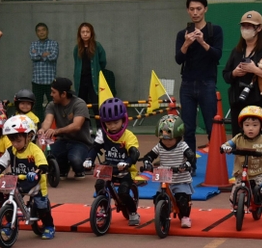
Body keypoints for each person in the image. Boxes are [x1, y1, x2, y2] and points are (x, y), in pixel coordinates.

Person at [222, 10, 262, 198]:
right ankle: (245, 185)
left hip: (260, 103)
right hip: (239, 103)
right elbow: (225, 75)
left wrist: (255, 70)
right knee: (240, 144)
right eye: (243, 26)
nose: (245, 29)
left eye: (249, 26)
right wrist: (235, 73)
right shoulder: (237, 50)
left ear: (258, 28)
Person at [0, 115, 56, 240]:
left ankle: (49, 226)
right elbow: (2, 162)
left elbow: (43, 165)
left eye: (18, 141)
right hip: (18, 181)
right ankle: (10, 222)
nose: (15, 144)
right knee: (7, 198)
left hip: (35, 183)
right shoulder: (11, 150)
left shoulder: (34, 150)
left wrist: (35, 172)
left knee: (42, 206)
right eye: (12, 141)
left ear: (29, 136)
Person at [175, 0, 224, 153]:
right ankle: (190, 164)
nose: (195, 12)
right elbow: (178, 59)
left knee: (212, 125)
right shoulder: (182, 34)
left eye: (198, 9)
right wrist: (187, 43)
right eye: (192, 9)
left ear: (205, 9)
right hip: (187, 84)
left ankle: (217, 164)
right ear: (187, 11)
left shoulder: (214, 30)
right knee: (188, 128)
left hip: (207, 83)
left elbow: (217, 55)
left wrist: (202, 42)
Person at [83, 98, 140, 226]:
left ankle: (133, 212)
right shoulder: (102, 134)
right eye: (108, 123)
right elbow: (95, 148)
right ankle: (103, 205)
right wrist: (89, 159)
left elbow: (134, 153)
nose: (112, 126)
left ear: (123, 120)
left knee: (124, 193)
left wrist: (127, 162)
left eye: (115, 122)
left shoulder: (129, 136)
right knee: (99, 185)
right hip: (108, 167)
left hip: (125, 170)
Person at [221, 106, 262, 224]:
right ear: (242, 126)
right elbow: (227, 144)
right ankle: (237, 207)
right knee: (234, 195)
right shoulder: (238, 139)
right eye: (247, 125)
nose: (250, 128)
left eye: (255, 125)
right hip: (242, 173)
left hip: (260, 173)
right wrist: (226, 148)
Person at [141, 114, 196, 228]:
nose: (166, 142)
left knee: (182, 199)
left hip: (180, 178)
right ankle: (161, 214)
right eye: (163, 139)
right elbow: (149, 156)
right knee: (158, 197)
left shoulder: (182, 146)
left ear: (178, 136)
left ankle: (185, 217)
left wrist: (186, 165)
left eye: (170, 139)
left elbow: (191, 157)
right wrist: (147, 162)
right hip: (165, 177)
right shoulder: (159, 146)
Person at [38, 77, 93, 179]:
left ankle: (79, 169)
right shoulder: (52, 105)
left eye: (53, 92)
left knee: (75, 160)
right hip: (63, 141)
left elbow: (76, 126)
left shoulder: (79, 104)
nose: (51, 95)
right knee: (49, 156)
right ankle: (63, 169)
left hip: (80, 142)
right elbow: (47, 121)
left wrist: (56, 131)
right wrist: (43, 129)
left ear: (63, 94)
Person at [29, 23, 59, 120]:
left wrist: (39, 55)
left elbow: (53, 56)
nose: (41, 32)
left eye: (43, 30)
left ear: (47, 31)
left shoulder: (54, 43)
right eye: (39, 31)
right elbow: (32, 56)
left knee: (53, 104)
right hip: (37, 81)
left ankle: (53, 126)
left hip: (50, 81)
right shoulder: (33, 44)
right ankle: (40, 126)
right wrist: (45, 55)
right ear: (36, 33)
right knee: (37, 106)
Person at [73, 22, 106, 105]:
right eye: (83, 32)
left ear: (91, 33)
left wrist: (96, 70)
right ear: (79, 34)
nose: (85, 34)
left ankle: (97, 118)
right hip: (81, 79)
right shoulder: (77, 48)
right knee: (81, 104)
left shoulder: (97, 46)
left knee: (96, 103)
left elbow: (103, 61)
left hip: (93, 79)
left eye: (87, 32)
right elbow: (76, 62)